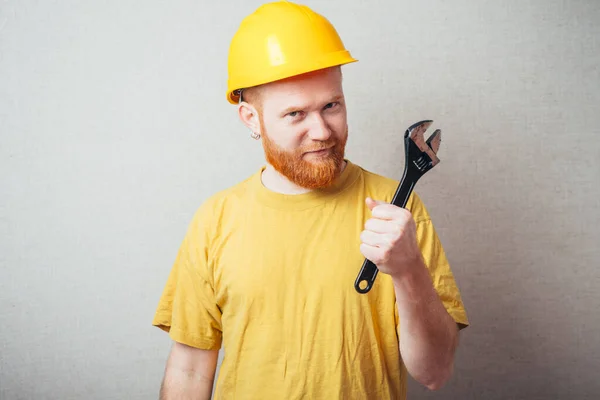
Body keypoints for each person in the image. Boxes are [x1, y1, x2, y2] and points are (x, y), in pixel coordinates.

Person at [152, 1, 469, 399]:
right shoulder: (215, 219)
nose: (321, 131)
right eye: (296, 114)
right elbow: (190, 371)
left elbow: (434, 372)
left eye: (331, 106)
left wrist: (408, 271)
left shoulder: (396, 211)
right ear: (252, 118)